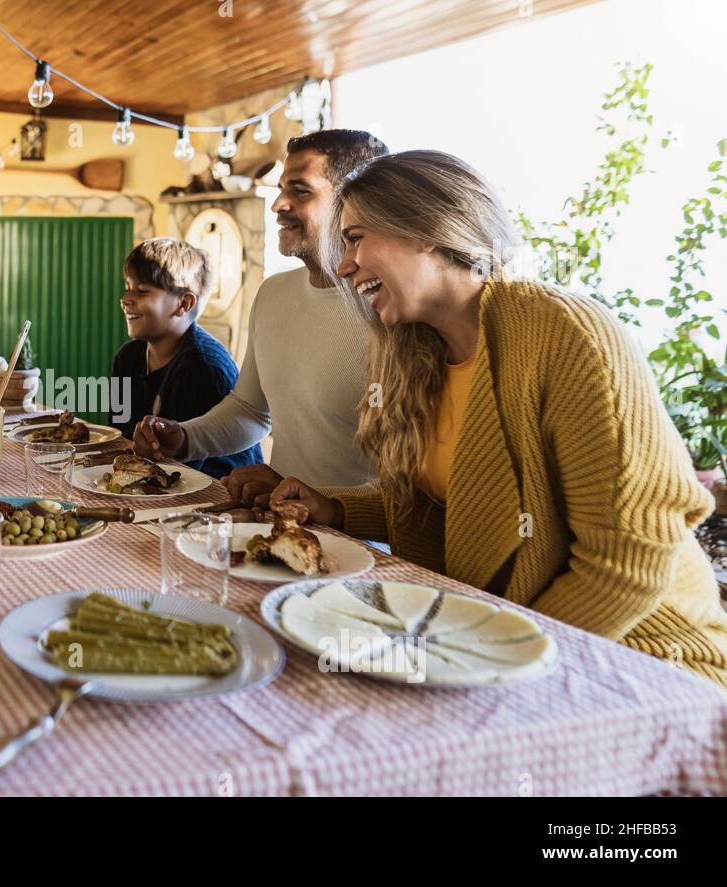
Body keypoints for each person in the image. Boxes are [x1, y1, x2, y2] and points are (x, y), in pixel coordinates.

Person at [269, 149, 727, 687]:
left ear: (426, 229)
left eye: (355, 239)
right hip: (497, 638)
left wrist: (481, 653)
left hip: (641, 657)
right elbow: (464, 512)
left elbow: (628, 562)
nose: (344, 265)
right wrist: (339, 509)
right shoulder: (412, 354)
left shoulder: (564, 333)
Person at [133, 130, 388, 503]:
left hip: (361, 550)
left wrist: (328, 505)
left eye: (300, 191)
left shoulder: (389, 310)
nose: (278, 204)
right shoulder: (273, 294)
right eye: (282, 188)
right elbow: (251, 410)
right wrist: (184, 437)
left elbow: (411, 479)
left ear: (353, 201)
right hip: (277, 527)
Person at [110, 237, 261, 478]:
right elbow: (119, 438)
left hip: (215, 493)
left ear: (184, 303)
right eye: (128, 287)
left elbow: (182, 473)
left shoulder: (203, 366)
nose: (126, 299)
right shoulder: (126, 358)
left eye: (142, 291)